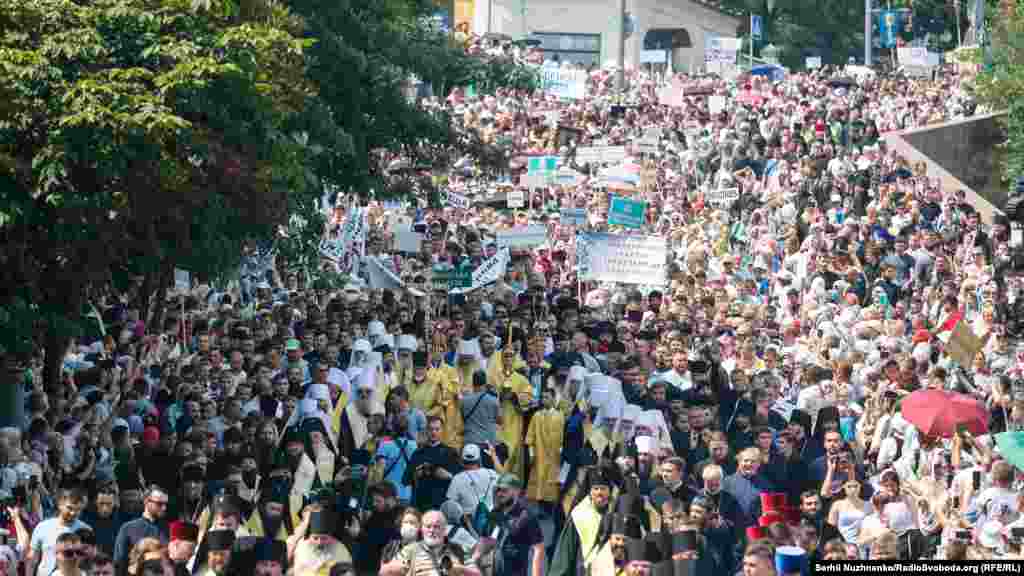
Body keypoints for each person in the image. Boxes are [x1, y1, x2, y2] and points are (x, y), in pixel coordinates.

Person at [550, 467, 613, 576]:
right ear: (590, 491)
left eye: (603, 488)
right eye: (596, 488)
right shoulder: (579, 515)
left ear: (609, 491)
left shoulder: (616, 513)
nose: (599, 493)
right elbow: (565, 552)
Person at [379, 510, 480, 576]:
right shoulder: (409, 550)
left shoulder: (458, 549)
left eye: (436, 526)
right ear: (422, 530)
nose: (432, 530)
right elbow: (383, 572)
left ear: (445, 530)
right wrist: (398, 568)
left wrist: (460, 569)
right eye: (428, 526)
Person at [27, 485, 91, 576]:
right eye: (70, 508)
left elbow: (90, 563)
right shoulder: (43, 527)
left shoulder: (86, 530)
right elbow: (32, 559)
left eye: (78, 509)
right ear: (60, 504)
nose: (73, 513)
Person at [403, 416, 461, 512]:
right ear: (426, 431)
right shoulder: (418, 453)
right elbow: (406, 479)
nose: (434, 432)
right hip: (421, 503)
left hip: (442, 503)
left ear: (442, 430)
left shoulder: (451, 453)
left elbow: (459, 479)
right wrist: (416, 474)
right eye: (431, 429)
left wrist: (447, 475)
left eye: (437, 429)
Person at [113, 485, 169, 576]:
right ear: (146, 502)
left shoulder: (169, 528)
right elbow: (119, 563)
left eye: (165, 504)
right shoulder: (128, 528)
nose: (164, 508)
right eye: (159, 504)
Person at [290, 510, 353, 575]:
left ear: (331, 537)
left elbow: (348, 571)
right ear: (309, 537)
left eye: (324, 538)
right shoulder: (302, 548)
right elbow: (298, 572)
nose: (319, 542)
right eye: (315, 538)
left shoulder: (340, 549)